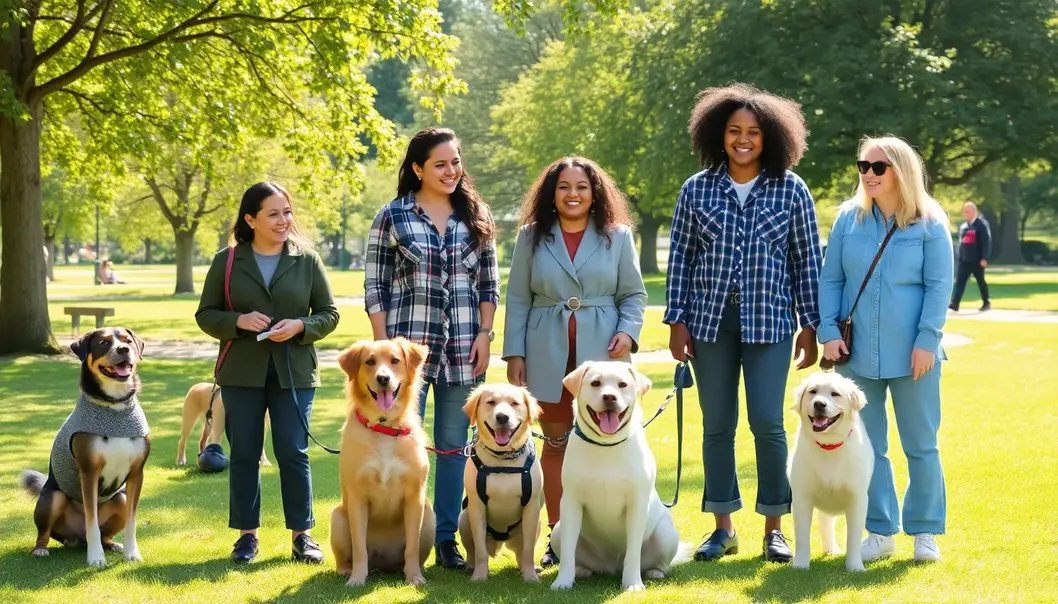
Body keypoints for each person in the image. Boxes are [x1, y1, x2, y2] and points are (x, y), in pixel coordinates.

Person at [664, 83, 822, 564]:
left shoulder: (791, 188)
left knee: (768, 423)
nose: (743, 139)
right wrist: (676, 320)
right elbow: (681, 259)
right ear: (719, 134)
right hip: (709, 322)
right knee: (717, 426)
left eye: (753, 131)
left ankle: (775, 528)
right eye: (734, 131)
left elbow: (806, 261)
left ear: (770, 136)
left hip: (770, 322)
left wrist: (811, 325)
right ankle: (723, 528)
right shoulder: (697, 188)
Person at [363, 127, 500, 570]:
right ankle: (408, 537)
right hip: (406, 357)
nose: (451, 171)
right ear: (418, 168)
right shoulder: (393, 215)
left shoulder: (475, 215)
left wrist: (485, 334)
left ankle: (445, 538)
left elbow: (489, 283)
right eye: (440, 164)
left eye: (456, 162)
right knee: (408, 446)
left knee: (453, 445)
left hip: (464, 345)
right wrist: (384, 347)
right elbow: (375, 284)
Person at [502, 156, 647, 567]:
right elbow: (517, 298)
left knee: (606, 446)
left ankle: (605, 540)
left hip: (605, 353)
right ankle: (558, 538)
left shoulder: (618, 236)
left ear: (594, 192)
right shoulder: (531, 236)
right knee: (557, 443)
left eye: (581, 187)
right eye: (564, 187)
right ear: (552, 193)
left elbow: (634, 295)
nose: (573, 194)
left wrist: (629, 331)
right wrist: (515, 353)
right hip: (544, 349)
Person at [818, 135, 954, 563]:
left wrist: (927, 340)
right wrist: (828, 331)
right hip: (856, 355)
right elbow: (831, 280)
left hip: (917, 354)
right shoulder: (847, 219)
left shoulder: (930, 221)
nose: (869, 174)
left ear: (901, 170)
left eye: (879, 167)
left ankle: (926, 532)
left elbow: (938, 286)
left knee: (921, 445)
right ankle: (880, 531)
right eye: (864, 166)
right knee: (868, 447)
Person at [195, 181, 339, 564]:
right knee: (244, 452)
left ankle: (303, 536)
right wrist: (239, 320)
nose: (283, 220)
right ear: (250, 218)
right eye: (273, 213)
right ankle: (246, 536)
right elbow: (205, 315)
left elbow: (329, 313)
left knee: (293, 451)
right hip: (242, 372)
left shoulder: (307, 259)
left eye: (287, 212)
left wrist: (301, 327)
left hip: (294, 371)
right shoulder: (226, 260)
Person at [949, 201, 991, 312]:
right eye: (964, 211)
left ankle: (986, 302)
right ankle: (955, 303)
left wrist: (984, 257)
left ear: (974, 211)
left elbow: (986, 242)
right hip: (964, 259)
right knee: (960, 281)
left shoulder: (981, 224)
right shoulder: (964, 226)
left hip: (977, 260)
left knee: (980, 281)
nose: (965, 213)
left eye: (967, 211)